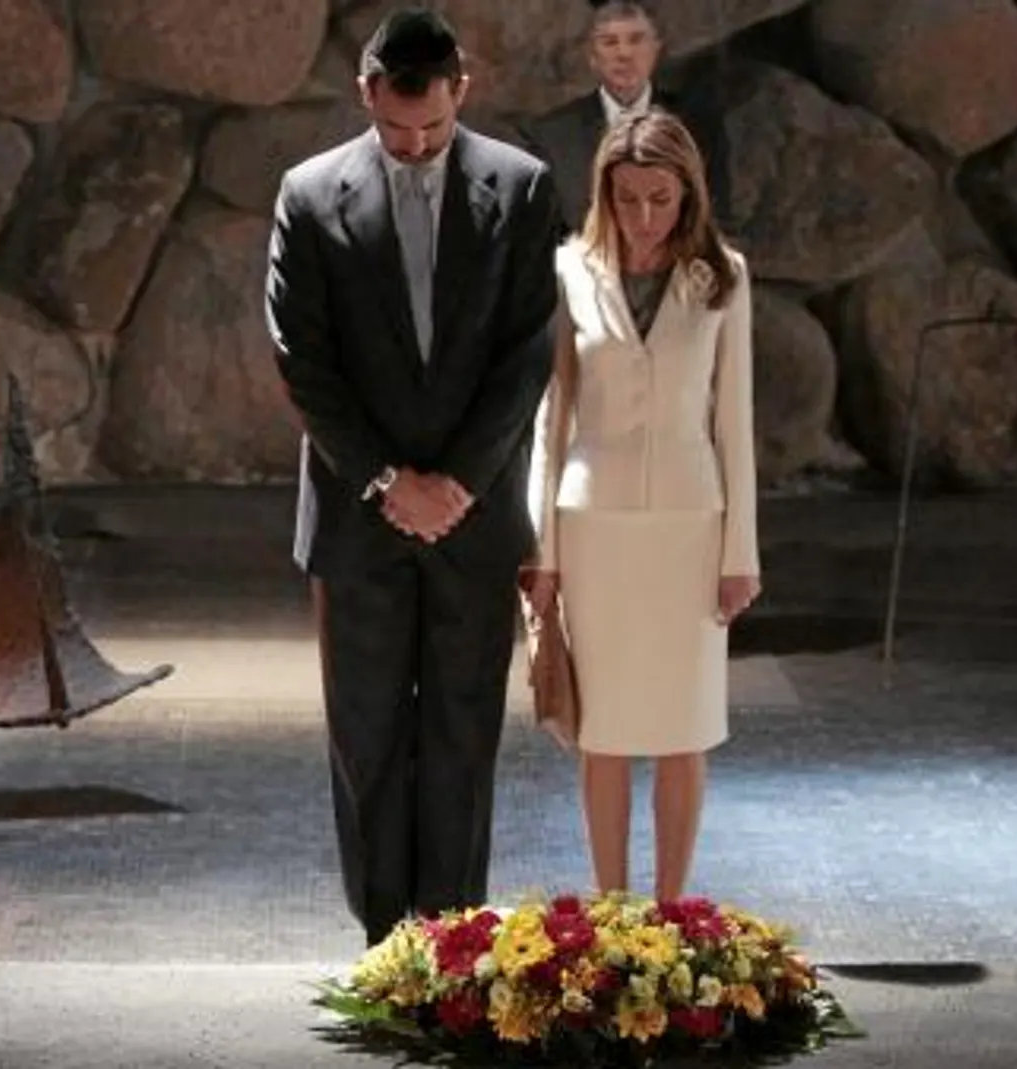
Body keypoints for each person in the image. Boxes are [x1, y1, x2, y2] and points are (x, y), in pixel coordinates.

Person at [265, 7, 563, 946]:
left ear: (460, 91)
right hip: (360, 518)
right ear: (366, 93)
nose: (415, 146)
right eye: (397, 129)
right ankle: (384, 940)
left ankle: (456, 938)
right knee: (365, 735)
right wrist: (391, 480)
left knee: (463, 735)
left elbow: (527, 352)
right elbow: (302, 360)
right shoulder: (309, 195)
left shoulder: (520, 188)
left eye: (432, 128)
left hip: (474, 520)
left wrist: (459, 484)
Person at [524, 109, 759, 903]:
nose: (644, 217)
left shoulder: (724, 275)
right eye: (628, 199)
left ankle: (670, 912)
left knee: (687, 729)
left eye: (660, 198)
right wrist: (543, 552)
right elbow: (550, 418)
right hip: (593, 529)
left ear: (688, 194)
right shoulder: (567, 271)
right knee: (606, 733)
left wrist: (741, 556)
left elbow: (735, 422)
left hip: (693, 529)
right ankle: (612, 909)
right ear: (604, 194)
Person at [526, 1, 732, 234]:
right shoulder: (553, 136)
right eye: (609, 42)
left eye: (636, 40)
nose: (624, 54)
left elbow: (717, 221)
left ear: (656, 49)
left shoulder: (696, 127)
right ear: (592, 56)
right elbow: (542, 235)